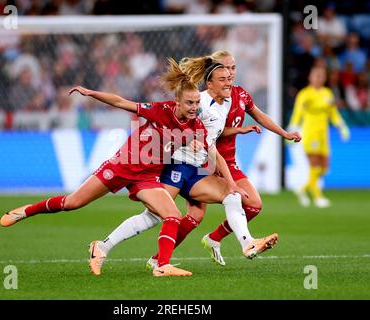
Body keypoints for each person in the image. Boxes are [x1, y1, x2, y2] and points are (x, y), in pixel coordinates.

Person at [0, 58, 229, 277]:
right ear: (177, 101)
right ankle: (26, 211)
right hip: (121, 167)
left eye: (197, 102)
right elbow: (121, 102)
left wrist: (213, 161)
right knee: (72, 203)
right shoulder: (160, 110)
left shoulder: (196, 124)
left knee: (172, 215)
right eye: (190, 102)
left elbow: (208, 149)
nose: (194, 107)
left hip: (148, 177)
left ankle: (162, 265)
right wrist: (91, 94)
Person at [89, 52, 298, 273]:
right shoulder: (200, 103)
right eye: (224, 77)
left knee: (231, 196)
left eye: (231, 74)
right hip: (178, 165)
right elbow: (182, 123)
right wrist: (188, 140)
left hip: (199, 169)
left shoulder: (226, 102)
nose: (230, 80)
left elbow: (211, 138)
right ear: (210, 82)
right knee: (153, 215)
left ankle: (246, 243)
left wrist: (235, 133)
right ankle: (107, 247)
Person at [289, 65, 350, 208]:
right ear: (310, 77)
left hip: (324, 134)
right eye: (316, 75)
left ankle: (302, 189)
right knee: (315, 165)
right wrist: (292, 129)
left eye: (321, 75)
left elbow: (333, 113)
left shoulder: (327, 93)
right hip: (310, 133)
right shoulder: (305, 94)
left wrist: (342, 126)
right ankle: (317, 197)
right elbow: (297, 114)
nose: (319, 78)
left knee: (324, 168)